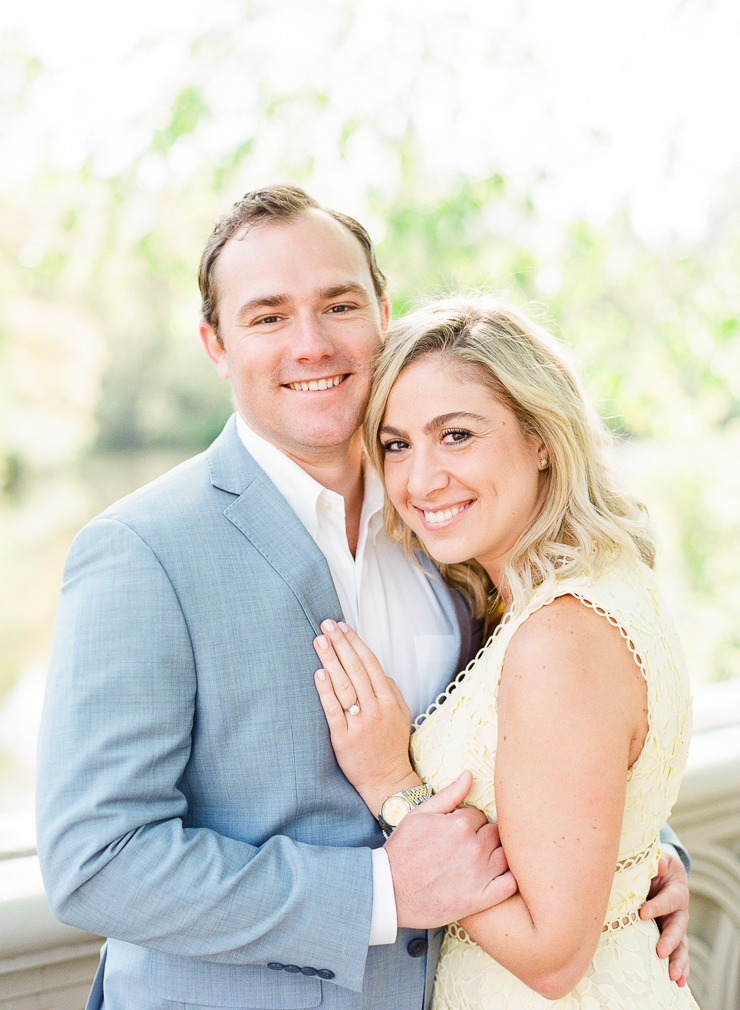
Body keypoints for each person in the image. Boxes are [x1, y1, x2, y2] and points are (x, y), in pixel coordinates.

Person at [35, 186, 690, 1010]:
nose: (311, 343)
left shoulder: (445, 523)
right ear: (215, 344)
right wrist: (380, 893)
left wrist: (642, 856)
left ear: (382, 312)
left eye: (337, 304)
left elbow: (532, 734)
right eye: (268, 316)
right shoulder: (142, 552)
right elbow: (97, 860)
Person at [311, 296, 699, 1007]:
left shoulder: (559, 635)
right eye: (396, 445)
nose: (420, 481)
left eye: (456, 435)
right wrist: (644, 855)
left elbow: (552, 956)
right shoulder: (586, 583)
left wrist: (391, 787)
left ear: (541, 436)